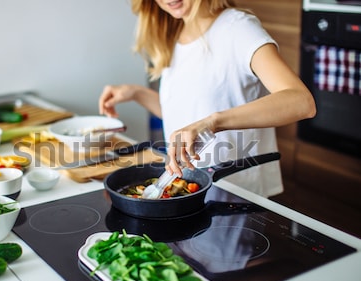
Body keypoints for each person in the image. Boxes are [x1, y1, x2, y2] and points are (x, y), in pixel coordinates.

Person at [98, 0, 316, 200]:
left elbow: (301, 102)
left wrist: (212, 122)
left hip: (234, 193)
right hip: (187, 191)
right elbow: (187, 114)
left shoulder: (238, 28)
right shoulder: (176, 33)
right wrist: (136, 93)